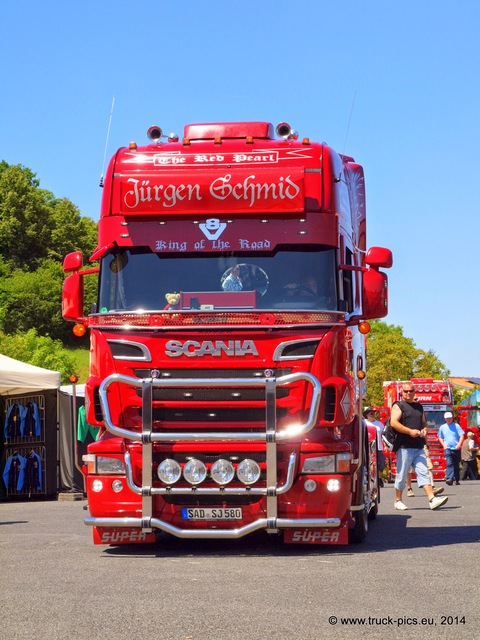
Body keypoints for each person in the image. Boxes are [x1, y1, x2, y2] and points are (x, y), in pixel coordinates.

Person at [390, 383, 448, 511]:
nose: (408, 393)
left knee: (424, 472)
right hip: (404, 446)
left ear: (414, 392)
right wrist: (410, 431)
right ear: (402, 392)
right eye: (406, 391)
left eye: (411, 391)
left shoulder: (419, 406)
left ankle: (432, 499)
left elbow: (424, 423)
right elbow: (393, 422)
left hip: (418, 446)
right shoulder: (398, 406)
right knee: (402, 474)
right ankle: (398, 500)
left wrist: (425, 430)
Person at [438, 411, 465, 485]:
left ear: (452, 418)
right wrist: (444, 445)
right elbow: (440, 437)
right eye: (447, 418)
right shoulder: (442, 427)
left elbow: (462, 435)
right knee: (449, 463)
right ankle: (449, 478)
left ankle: (456, 479)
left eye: (450, 418)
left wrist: (459, 444)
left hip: (456, 448)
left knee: (456, 464)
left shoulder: (456, 426)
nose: (448, 420)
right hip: (448, 448)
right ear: (445, 419)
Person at [363, 408, 385, 487]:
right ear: (367, 415)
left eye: (373, 413)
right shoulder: (364, 423)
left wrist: (385, 445)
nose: (372, 415)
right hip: (367, 448)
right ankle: (368, 479)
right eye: (371, 413)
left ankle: (379, 478)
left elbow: (384, 435)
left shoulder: (379, 424)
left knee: (381, 464)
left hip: (378, 447)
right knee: (368, 464)